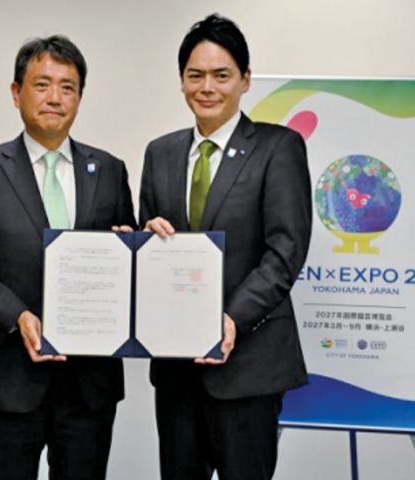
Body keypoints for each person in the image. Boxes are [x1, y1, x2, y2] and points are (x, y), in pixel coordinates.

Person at [0, 35, 136, 480]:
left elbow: (127, 254)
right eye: (42, 84)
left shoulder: (109, 169)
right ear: (17, 93)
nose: (55, 98)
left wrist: (131, 249)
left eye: (68, 87)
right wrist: (17, 316)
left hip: (89, 385)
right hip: (8, 379)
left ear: (80, 97)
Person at [139, 14, 312, 480]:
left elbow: (285, 251)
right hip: (177, 369)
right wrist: (142, 241)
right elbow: (149, 242)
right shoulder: (160, 153)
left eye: (221, 75)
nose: (207, 87)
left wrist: (232, 317)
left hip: (249, 364)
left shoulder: (279, 147)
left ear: (245, 80)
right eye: (195, 75)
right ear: (181, 81)